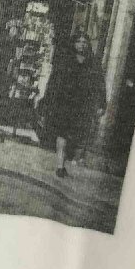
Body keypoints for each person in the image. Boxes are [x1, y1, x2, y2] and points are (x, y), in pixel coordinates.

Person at [40, 31, 107, 178]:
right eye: (79, 42)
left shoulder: (93, 63)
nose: (82, 45)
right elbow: (53, 81)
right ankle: (60, 166)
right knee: (62, 133)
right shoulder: (65, 60)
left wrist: (102, 103)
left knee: (74, 137)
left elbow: (100, 84)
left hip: (82, 105)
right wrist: (47, 100)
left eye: (84, 42)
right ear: (73, 43)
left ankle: (64, 162)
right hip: (64, 103)